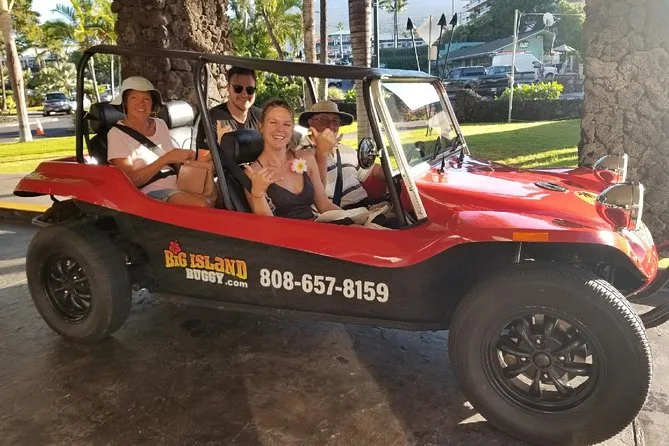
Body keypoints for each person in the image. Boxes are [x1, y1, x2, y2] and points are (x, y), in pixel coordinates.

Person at [107, 76, 213, 207]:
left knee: (224, 195)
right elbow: (128, 181)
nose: (141, 104)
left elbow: (174, 163)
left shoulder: (160, 124)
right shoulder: (116, 134)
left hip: (179, 183)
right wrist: (164, 159)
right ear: (125, 103)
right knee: (202, 205)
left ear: (152, 103)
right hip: (150, 192)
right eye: (134, 98)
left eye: (146, 99)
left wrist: (188, 161)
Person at [243, 99, 340, 220]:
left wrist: (354, 217)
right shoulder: (253, 173)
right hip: (283, 231)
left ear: (292, 129)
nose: (280, 129)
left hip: (316, 226)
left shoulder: (306, 158)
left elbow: (324, 205)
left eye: (287, 124)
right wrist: (257, 194)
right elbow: (267, 226)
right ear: (261, 127)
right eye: (273, 122)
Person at [297, 100, 385, 209]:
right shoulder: (301, 155)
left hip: (366, 207)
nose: (330, 126)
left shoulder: (345, 149)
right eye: (323, 120)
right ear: (311, 123)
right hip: (338, 213)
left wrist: (398, 175)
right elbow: (313, 194)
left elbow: (372, 170)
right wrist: (321, 152)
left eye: (335, 121)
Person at [196, 67, 262, 150]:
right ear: (228, 88)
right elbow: (202, 157)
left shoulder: (262, 117)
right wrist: (221, 146)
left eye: (250, 89)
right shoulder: (211, 119)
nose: (244, 94)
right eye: (238, 88)